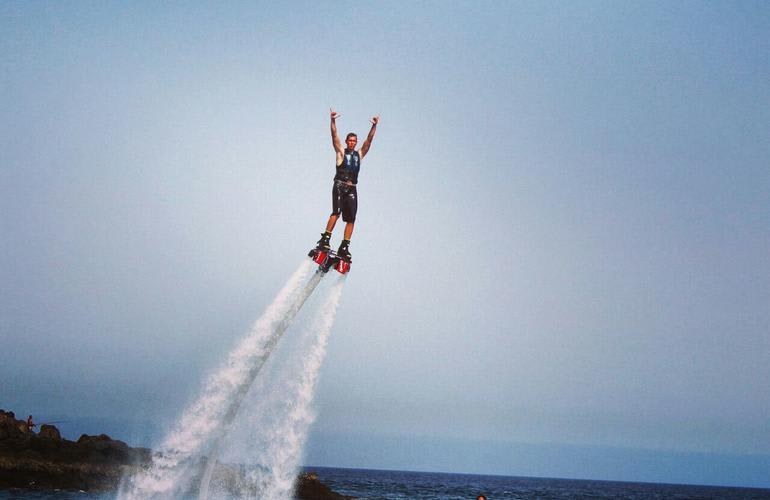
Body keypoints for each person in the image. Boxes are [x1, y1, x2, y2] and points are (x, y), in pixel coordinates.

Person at [313, 108, 379, 263]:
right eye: (350, 140)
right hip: (339, 186)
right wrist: (333, 121)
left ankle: (345, 246)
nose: (352, 143)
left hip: (352, 188)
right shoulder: (341, 152)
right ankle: (325, 238)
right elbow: (334, 136)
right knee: (335, 213)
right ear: (346, 141)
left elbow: (368, 142)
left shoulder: (359, 154)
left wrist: (374, 126)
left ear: (356, 142)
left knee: (351, 219)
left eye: (354, 141)